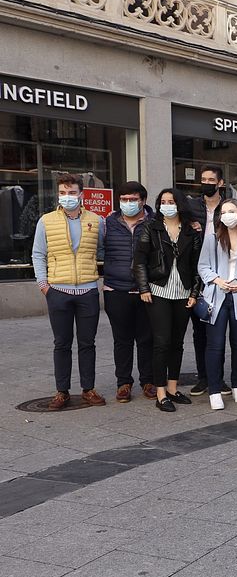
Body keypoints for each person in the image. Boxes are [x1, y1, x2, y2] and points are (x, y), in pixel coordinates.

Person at [32, 174, 106, 410]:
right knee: (62, 343)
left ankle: (88, 389)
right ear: (58, 194)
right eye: (63, 193)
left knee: (87, 343)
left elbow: (103, 250)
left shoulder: (96, 220)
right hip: (58, 291)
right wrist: (44, 285)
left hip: (87, 291)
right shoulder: (46, 221)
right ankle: (62, 392)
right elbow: (38, 254)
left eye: (72, 192)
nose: (68, 197)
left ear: (81, 194)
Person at [132, 188, 200, 412]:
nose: (167, 205)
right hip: (157, 290)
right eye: (163, 201)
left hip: (183, 292)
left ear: (179, 204)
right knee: (162, 341)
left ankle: (172, 387)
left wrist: (194, 293)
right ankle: (160, 391)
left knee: (177, 342)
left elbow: (196, 265)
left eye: (171, 201)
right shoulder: (151, 227)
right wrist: (143, 287)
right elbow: (139, 259)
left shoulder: (191, 230)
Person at [197, 199, 237, 410]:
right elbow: (203, 266)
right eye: (224, 212)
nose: (227, 215)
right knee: (215, 345)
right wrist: (217, 280)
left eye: (231, 211)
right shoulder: (212, 238)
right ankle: (214, 390)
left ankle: (236, 385)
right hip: (217, 295)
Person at [103, 181, 155, 403]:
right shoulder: (108, 224)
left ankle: (148, 381)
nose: (127, 203)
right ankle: (123, 383)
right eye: (123, 199)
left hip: (146, 291)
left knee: (146, 338)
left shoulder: (154, 223)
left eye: (132, 199)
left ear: (143, 201)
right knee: (121, 339)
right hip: (116, 289)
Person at [186, 164, 227, 397]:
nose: (206, 183)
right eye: (203, 179)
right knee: (199, 330)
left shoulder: (229, 207)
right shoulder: (191, 206)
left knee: (217, 330)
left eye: (211, 179)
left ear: (220, 183)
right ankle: (204, 377)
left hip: (221, 274)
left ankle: (218, 378)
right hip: (196, 275)